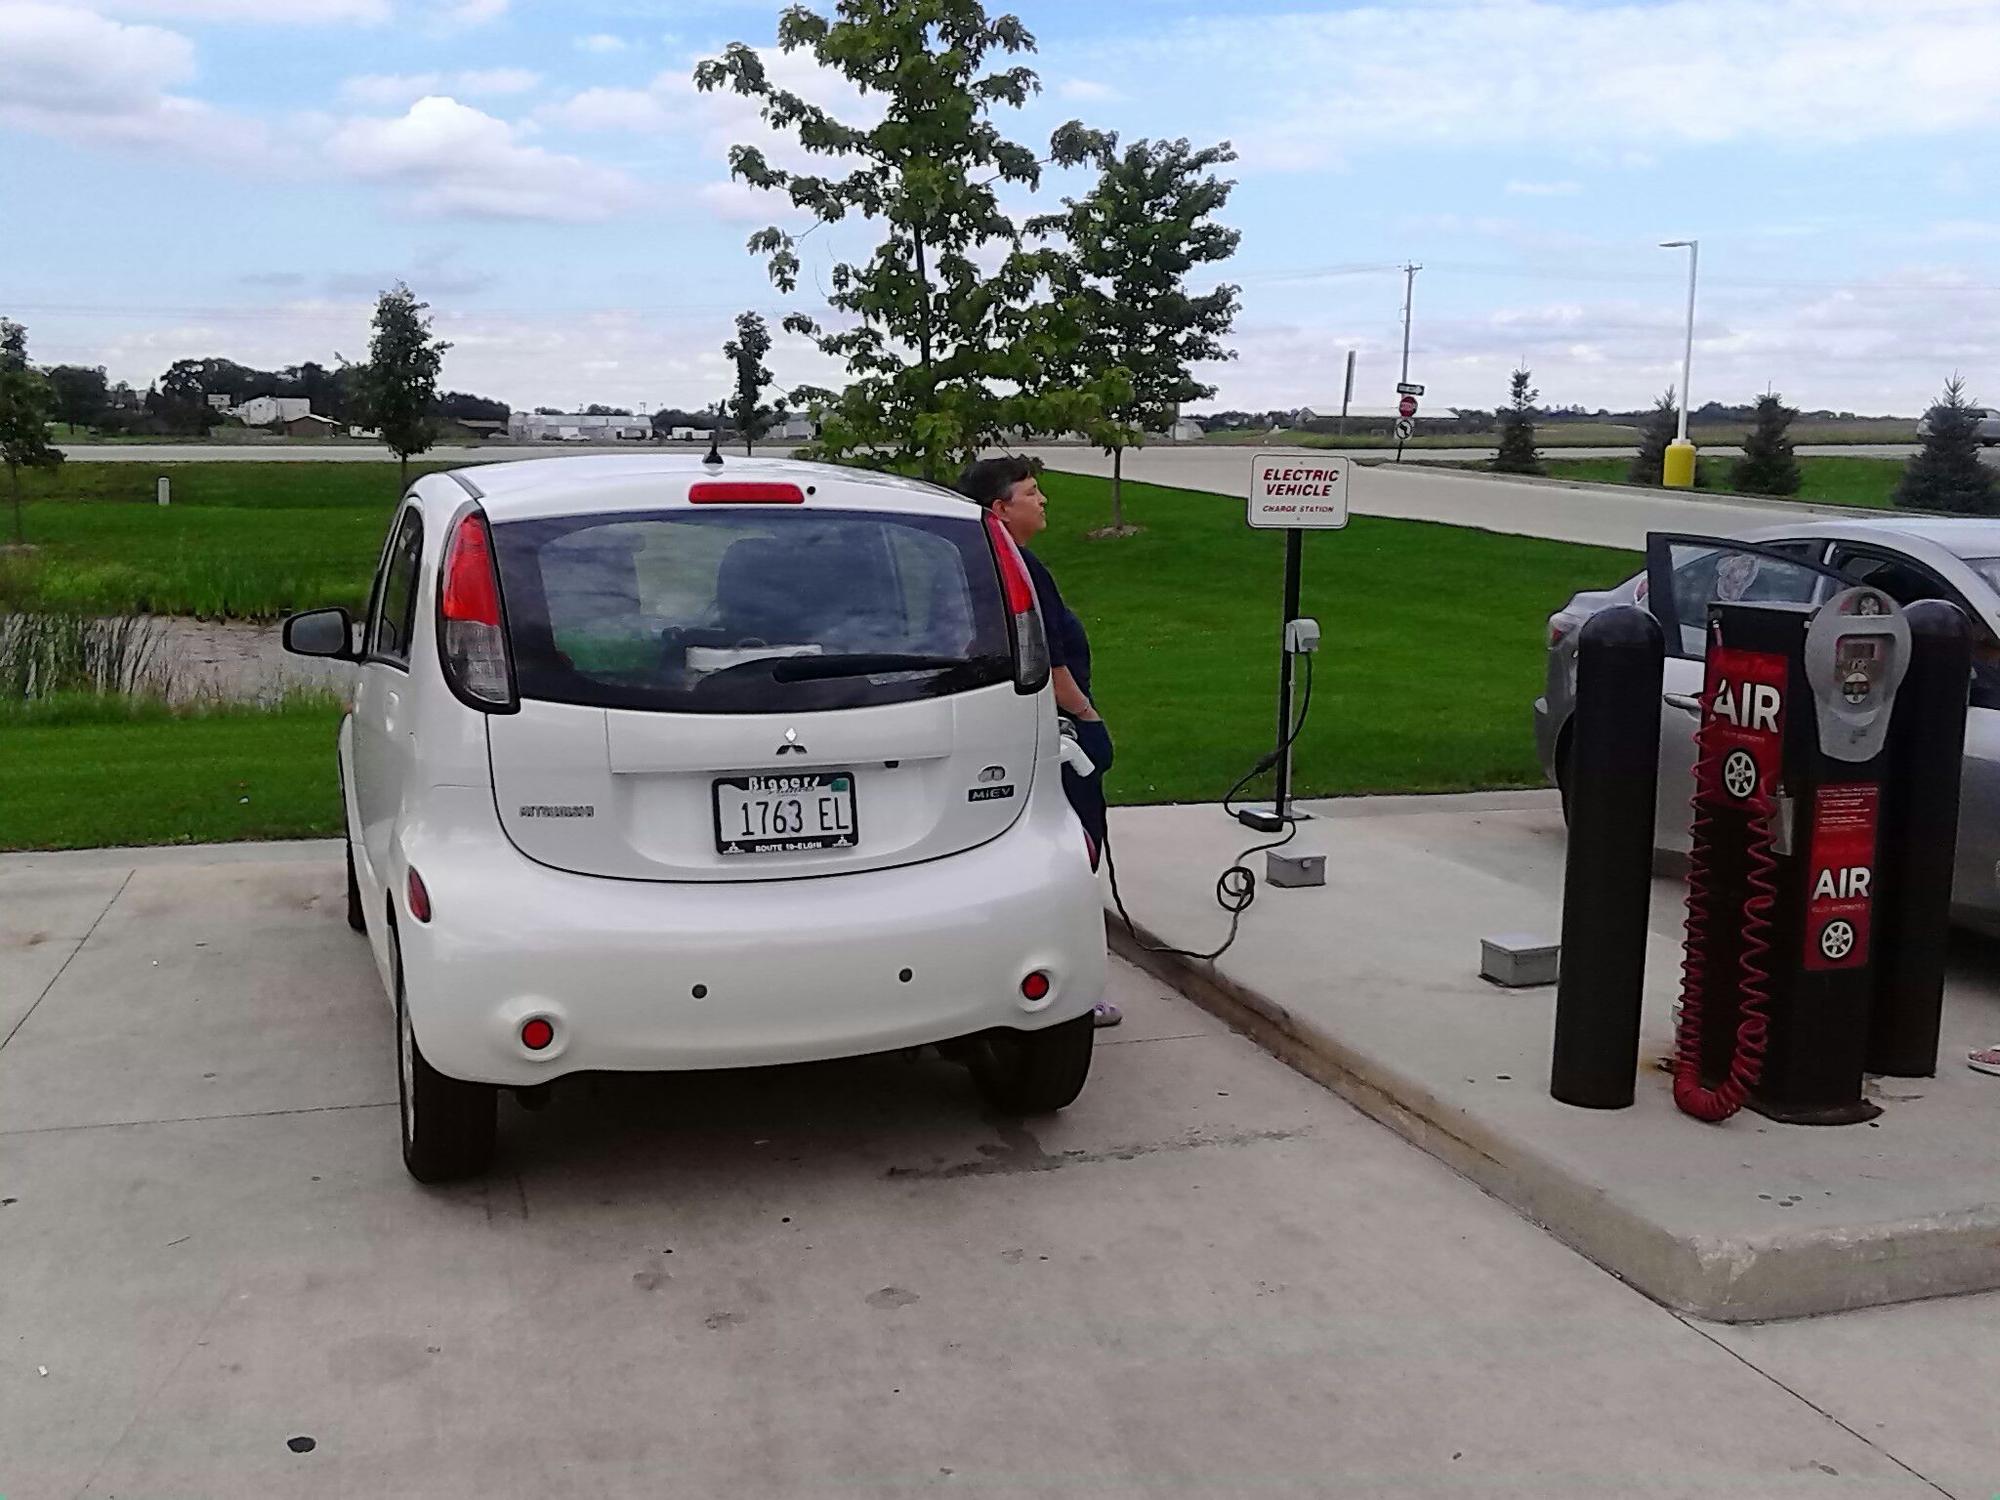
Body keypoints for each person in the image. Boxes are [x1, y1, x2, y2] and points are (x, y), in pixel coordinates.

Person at [958, 455, 1121, 1028]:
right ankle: (1078, 993)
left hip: (1017, 730)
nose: (1042, 500)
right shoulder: (1018, 571)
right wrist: (1088, 717)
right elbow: (1049, 661)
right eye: (1031, 492)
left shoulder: (972, 566)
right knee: (1078, 849)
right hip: (1057, 731)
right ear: (1001, 509)